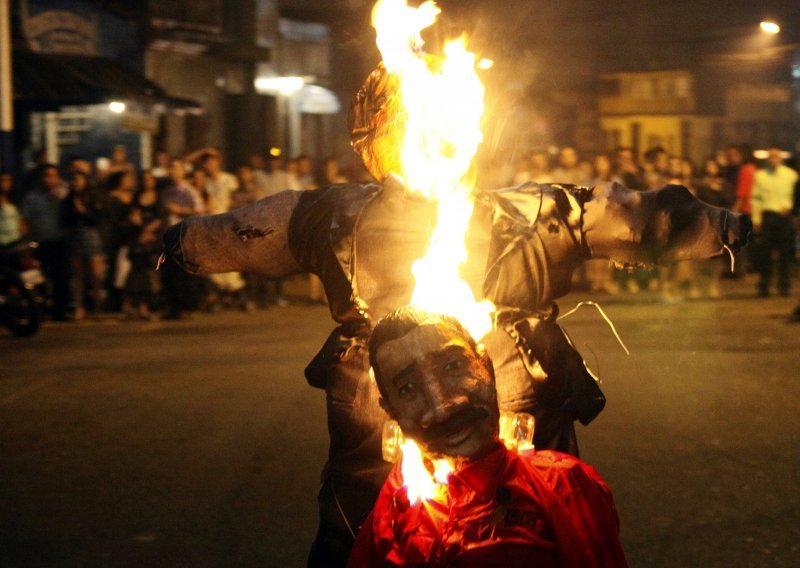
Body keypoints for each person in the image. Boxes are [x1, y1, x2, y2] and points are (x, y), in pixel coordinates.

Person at [162, 63, 750, 566]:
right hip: (384, 441)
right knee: (364, 537)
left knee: (534, 538)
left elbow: (643, 216)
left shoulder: (534, 210)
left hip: (517, 441)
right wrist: (186, 240)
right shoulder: (333, 216)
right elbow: (242, 233)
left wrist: (709, 226)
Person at [349, 306, 628, 567]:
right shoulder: (398, 499)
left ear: (486, 365)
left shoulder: (562, 485)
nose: (443, 405)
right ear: (389, 410)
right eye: (408, 388)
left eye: (453, 366)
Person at [21, 164, 71, 320]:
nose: (50, 179)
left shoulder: (63, 196)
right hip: (40, 243)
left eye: (54, 175)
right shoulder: (32, 198)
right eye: (47, 176)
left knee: (61, 278)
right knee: (39, 278)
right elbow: (25, 220)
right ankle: (39, 311)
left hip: (59, 242)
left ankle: (60, 312)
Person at [750, 147, 798, 297]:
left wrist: (791, 209)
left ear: (781, 159)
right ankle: (764, 285)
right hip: (768, 216)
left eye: (776, 157)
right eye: (771, 157)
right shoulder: (760, 176)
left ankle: (784, 285)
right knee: (765, 253)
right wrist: (756, 219)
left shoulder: (791, 175)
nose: (773, 159)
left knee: (785, 253)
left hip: (784, 217)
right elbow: (755, 199)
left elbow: (796, 196)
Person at [160, 160, 205, 320]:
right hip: (170, 236)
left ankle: (190, 306)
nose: (173, 172)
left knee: (184, 274)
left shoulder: (189, 191)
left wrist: (179, 210)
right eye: (171, 169)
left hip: (184, 235)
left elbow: (200, 212)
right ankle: (174, 307)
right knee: (171, 273)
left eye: (176, 169)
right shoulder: (167, 192)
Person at [63, 171, 106, 319]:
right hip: (75, 237)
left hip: (91, 236)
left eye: (79, 179)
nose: (76, 182)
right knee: (78, 275)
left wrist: (83, 211)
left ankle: (98, 307)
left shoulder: (93, 196)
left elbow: (98, 219)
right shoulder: (69, 198)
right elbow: (64, 220)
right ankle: (79, 307)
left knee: (95, 274)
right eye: (74, 179)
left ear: (85, 181)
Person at [0, 172, 24, 246]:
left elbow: (20, 220)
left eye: (8, 181)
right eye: (3, 180)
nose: (5, 184)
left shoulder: (14, 201)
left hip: (15, 241)